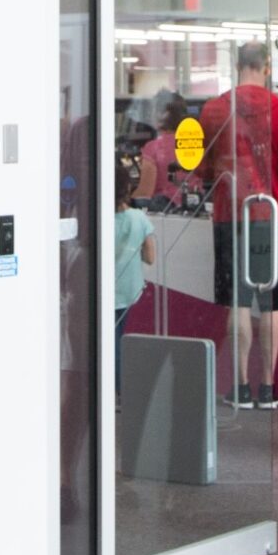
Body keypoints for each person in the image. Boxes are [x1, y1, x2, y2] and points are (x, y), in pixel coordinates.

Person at [198, 41, 278, 410]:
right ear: (268, 66)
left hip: (230, 216)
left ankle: (240, 387)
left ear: (236, 64)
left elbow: (201, 170)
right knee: (271, 303)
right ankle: (268, 387)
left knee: (237, 302)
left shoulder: (213, 110)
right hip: (272, 214)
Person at [111, 156, 156, 389]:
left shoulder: (98, 219)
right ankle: (120, 388)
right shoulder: (139, 219)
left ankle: (114, 386)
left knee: (111, 340)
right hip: (128, 288)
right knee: (118, 335)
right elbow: (150, 256)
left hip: (106, 288)